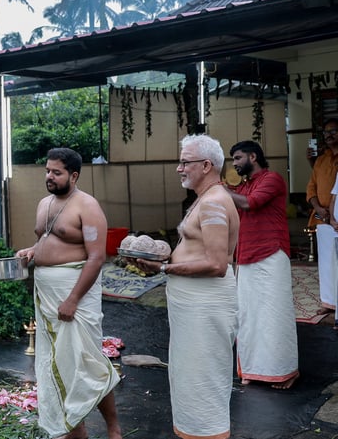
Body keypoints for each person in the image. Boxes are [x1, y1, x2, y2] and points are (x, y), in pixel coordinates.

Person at [133, 134, 239, 439]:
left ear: (206, 165)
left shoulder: (214, 202)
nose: (179, 169)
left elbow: (217, 264)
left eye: (185, 162)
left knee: (203, 377)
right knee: (190, 376)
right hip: (194, 306)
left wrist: (163, 268)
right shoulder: (206, 199)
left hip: (205, 306)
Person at [15, 147, 122, 439]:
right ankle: (74, 429)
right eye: (47, 171)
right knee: (58, 363)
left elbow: (96, 257)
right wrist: (32, 251)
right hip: (47, 295)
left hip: (75, 295)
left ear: (73, 176)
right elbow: (46, 239)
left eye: (56, 172)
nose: (49, 176)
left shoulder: (88, 206)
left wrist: (73, 299)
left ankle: (113, 428)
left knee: (87, 363)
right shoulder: (44, 203)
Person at [226, 141, 299, 389]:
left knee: (275, 315)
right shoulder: (244, 186)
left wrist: (218, 189)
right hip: (246, 256)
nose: (234, 164)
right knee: (248, 315)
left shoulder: (273, 179)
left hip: (271, 255)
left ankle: (285, 371)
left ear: (253, 157)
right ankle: (254, 370)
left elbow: (250, 203)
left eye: (238, 158)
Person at [306, 118, 338, 314]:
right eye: (326, 132)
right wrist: (318, 208)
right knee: (326, 262)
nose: (329, 135)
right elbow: (311, 188)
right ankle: (329, 303)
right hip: (322, 216)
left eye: (333, 131)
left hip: (337, 216)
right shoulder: (320, 160)